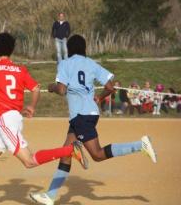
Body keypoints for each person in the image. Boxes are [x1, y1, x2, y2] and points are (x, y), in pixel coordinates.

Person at [0, 33, 88, 205]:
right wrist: (31, 106)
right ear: (12, 49)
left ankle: (69, 151)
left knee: (29, 162)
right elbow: (36, 88)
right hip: (14, 118)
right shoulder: (20, 69)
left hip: (4, 120)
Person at [29, 34, 157, 205]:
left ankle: (140, 145)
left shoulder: (65, 63)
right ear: (84, 49)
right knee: (66, 152)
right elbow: (110, 87)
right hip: (89, 113)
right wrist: (100, 97)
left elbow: (61, 90)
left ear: (69, 49)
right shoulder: (91, 63)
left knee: (97, 154)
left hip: (80, 116)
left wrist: (51, 87)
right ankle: (50, 196)